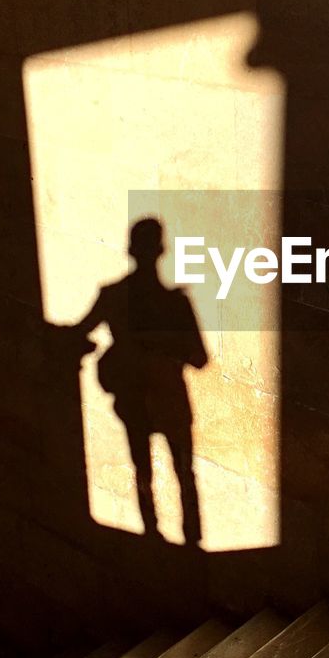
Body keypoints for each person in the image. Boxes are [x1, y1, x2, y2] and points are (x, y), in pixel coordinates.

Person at [74, 217, 208, 545]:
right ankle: (190, 543)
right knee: (181, 475)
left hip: (139, 398)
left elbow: (78, 334)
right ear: (162, 251)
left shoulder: (114, 296)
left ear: (132, 250)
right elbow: (199, 358)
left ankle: (153, 539)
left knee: (145, 471)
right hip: (167, 398)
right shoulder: (176, 303)